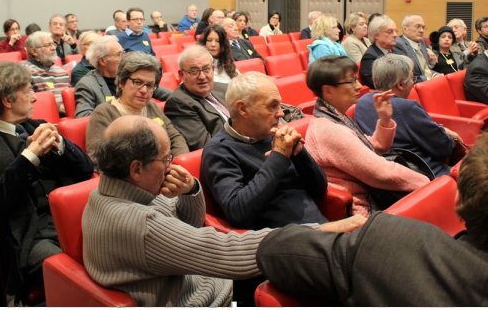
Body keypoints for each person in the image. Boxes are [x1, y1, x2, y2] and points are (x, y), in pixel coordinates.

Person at [82, 115, 365, 307]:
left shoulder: (110, 191)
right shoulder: (140, 223)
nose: (170, 166)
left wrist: (190, 192)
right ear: (135, 168)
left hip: (204, 278)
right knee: (309, 268)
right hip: (209, 299)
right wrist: (320, 230)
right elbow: (227, 252)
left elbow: (188, 229)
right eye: (165, 159)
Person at [256, 119, 488, 307]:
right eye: (349, 80)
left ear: (458, 193)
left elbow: (273, 250)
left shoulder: (389, 245)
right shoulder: (326, 126)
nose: (357, 85)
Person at [0, 62, 93, 304]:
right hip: (30, 232)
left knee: (120, 250)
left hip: (73, 218)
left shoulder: (35, 126)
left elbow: (85, 171)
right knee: (83, 278)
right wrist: (30, 156)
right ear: (7, 100)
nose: (34, 98)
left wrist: (60, 144)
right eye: (28, 91)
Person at [305, 55, 429, 216]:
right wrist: (428, 184)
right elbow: (381, 172)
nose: (359, 86)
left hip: (376, 196)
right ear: (328, 91)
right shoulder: (328, 130)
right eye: (351, 81)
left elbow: (375, 146)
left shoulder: (334, 117)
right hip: (365, 211)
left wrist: (384, 119)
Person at [202, 71, 328, 229]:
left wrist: (300, 154)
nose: (281, 113)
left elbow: (320, 190)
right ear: (243, 109)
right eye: (272, 106)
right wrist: (279, 157)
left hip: (318, 229)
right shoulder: (219, 150)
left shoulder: (273, 134)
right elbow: (238, 212)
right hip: (282, 242)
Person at [354, 54, 461, 177]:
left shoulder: (362, 102)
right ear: (400, 84)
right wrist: (450, 137)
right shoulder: (407, 108)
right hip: (427, 174)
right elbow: (444, 147)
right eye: (412, 78)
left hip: (388, 174)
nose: (413, 82)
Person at [86, 51, 188, 166]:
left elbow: (175, 137)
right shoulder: (104, 113)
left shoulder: (152, 107)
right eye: (137, 82)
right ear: (121, 83)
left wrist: (178, 164)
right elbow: (98, 157)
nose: (144, 90)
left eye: (150, 85)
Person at [164, 46, 229, 151]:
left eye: (206, 69)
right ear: (181, 74)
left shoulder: (223, 88)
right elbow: (208, 146)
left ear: (213, 69)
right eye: (194, 71)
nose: (202, 76)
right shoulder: (179, 103)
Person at [74, 36, 123, 118]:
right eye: (118, 55)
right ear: (103, 61)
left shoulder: (128, 78)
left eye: (123, 53)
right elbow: (83, 117)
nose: (123, 58)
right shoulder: (87, 85)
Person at [23, 31, 70, 114]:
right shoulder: (24, 72)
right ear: (34, 51)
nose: (53, 48)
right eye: (48, 45)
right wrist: (60, 108)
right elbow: (30, 101)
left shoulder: (62, 72)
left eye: (53, 44)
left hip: (68, 115)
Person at [394, 14, 438, 82]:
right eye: (418, 27)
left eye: (423, 27)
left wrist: (436, 75)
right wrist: (429, 79)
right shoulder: (399, 44)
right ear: (405, 29)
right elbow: (406, 76)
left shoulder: (422, 41)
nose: (421, 30)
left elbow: (425, 68)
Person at [359, 15, 399, 88]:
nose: (395, 35)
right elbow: (376, 85)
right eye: (390, 32)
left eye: (396, 31)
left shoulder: (395, 51)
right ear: (376, 35)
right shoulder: (370, 57)